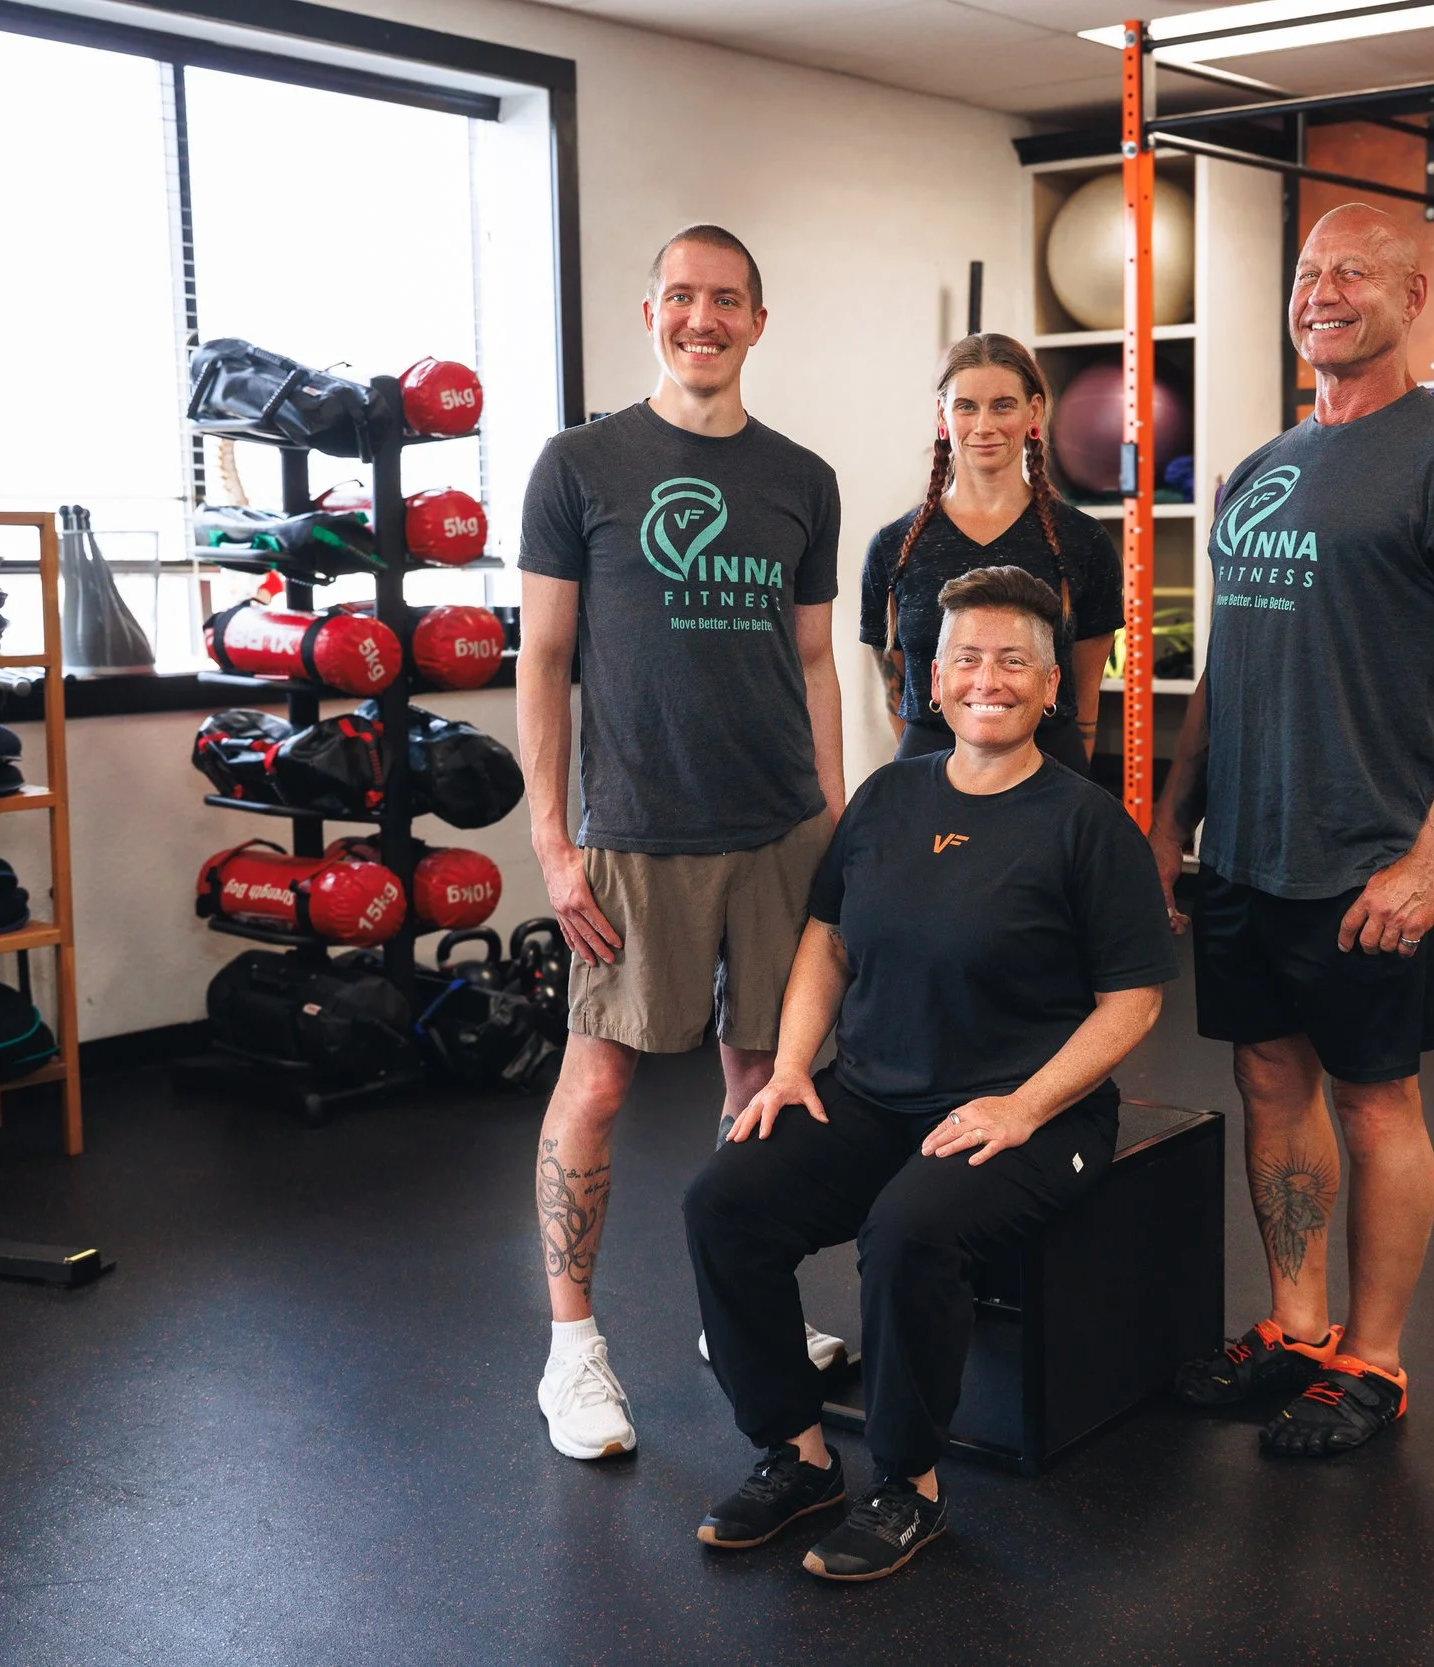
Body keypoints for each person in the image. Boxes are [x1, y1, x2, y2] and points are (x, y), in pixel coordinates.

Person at [683, 567, 1175, 1580]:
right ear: (929, 677)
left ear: (1050, 687)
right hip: (873, 1089)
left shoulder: (1086, 824)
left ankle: (908, 1484)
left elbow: (1136, 999)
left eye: (1011, 661)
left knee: (908, 1228)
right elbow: (826, 938)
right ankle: (797, 1453)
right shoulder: (887, 797)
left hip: (1039, 1109)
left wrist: (1026, 1103)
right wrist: (785, 1070)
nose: (984, 677)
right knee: (724, 1198)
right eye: (964, 657)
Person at [1156, 203, 1434, 1457]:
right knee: (1269, 1079)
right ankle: (1295, 1323)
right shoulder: (1259, 467)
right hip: (1247, 853)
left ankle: (1374, 1360)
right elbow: (1229, 663)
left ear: (1413, 294)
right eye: (1308, 273)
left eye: (1354, 273)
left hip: (1365, 856)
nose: (1324, 293)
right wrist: (1173, 818)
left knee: (1378, 1105)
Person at [516, 224, 851, 1462]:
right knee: (597, 1085)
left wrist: (834, 824)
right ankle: (572, 1351)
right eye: (681, 297)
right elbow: (541, 662)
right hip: (632, 834)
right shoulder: (580, 464)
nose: (701, 318)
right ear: (647, 311)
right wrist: (552, 846)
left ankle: (737, 1314)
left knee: (763, 1083)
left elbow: (814, 661)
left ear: (758, 322)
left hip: (775, 827)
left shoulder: (801, 478)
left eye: (727, 301)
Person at [862, 334, 1122, 776]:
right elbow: (899, 689)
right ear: (942, 415)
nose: (984, 425)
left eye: (1002, 405)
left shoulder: (1083, 541)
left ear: (1033, 411)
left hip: (1048, 763)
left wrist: (1069, 785)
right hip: (928, 766)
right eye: (966, 406)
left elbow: (1085, 690)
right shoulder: (894, 547)